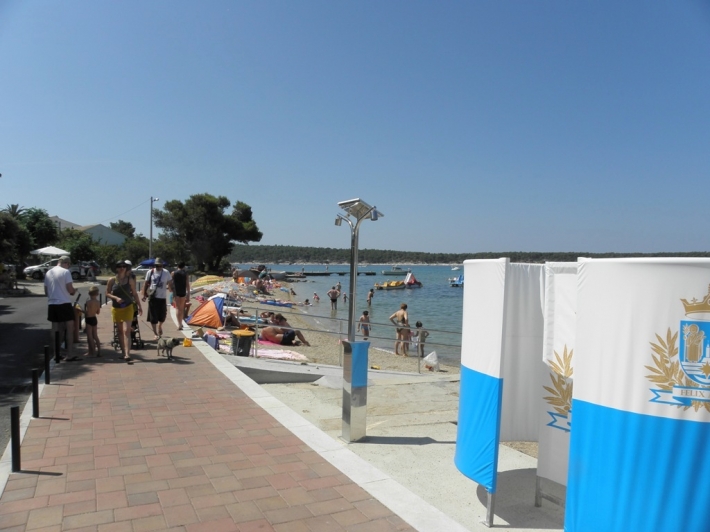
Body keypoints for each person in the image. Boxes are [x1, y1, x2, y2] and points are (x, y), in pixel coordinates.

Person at [44, 255, 79, 362]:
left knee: (55, 329)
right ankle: (69, 354)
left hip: (52, 304)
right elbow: (70, 289)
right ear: (66, 263)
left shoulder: (48, 272)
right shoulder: (66, 272)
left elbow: (46, 291)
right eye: (68, 265)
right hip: (64, 303)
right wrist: (74, 291)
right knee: (70, 328)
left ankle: (56, 353)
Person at [107, 260, 143, 361]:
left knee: (126, 330)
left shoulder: (129, 280)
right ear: (116, 268)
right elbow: (107, 293)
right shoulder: (112, 280)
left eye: (124, 266)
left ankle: (127, 354)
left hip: (128, 307)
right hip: (116, 308)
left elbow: (134, 293)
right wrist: (115, 298)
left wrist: (139, 306)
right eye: (120, 266)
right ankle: (123, 352)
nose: (122, 268)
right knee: (119, 331)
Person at [141, 257, 172, 339]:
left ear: (162, 265)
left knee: (163, 316)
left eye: (160, 266)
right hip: (153, 297)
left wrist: (172, 291)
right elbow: (146, 283)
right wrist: (144, 295)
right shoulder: (150, 272)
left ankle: (160, 326)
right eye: (157, 266)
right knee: (153, 316)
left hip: (162, 297)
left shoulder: (166, 272)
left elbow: (170, 282)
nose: (158, 267)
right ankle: (155, 333)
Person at [171, 262, 191, 330]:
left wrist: (171, 289)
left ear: (177, 266)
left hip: (176, 292)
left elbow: (170, 283)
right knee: (181, 308)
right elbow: (187, 284)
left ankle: (179, 324)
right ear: (184, 266)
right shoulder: (185, 274)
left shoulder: (173, 273)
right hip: (183, 292)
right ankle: (181, 323)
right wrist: (188, 293)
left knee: (177, 308)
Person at [84, 286, 101, 357]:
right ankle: (99, 351)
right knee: (95, 336)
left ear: (89, 294)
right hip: (94, 318)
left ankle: (92, 352)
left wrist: (82, 311)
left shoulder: (88, 302)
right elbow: (98, 312)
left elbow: (87, 312)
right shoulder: (98, 302)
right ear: (97, 294)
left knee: (90, 337)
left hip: (89, 319)